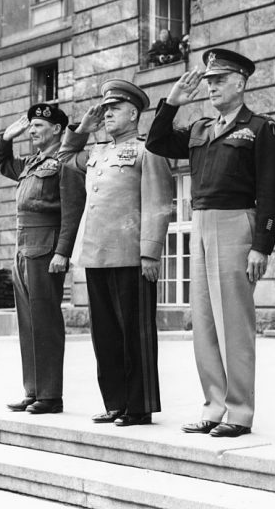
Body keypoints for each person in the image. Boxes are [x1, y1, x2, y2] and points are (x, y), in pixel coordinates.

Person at [146, 49, 275, 438]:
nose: (211, 87)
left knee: (234, 322)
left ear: (240, 83)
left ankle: (239, 410)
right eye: (208, 81)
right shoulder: (201, 128)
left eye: (219, 80)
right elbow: (156, 141)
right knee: (204, 321)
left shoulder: (260, 128)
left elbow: (271, 192)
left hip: (236, 224)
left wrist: (262, 245)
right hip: (201, 224)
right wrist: (172, 102)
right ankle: (214, 405)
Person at [58, 80, 172, 426]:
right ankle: (115, 402)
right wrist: (81, 130)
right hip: (96, 254)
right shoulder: (97, 152)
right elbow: (64, 161)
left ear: (134, 113)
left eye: (114, 109)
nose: (107, 114)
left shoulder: (146, 150)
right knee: (104, 334)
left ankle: (139, 406)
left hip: (130, 254)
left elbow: (158, 201)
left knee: (135, 333)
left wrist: (150, 252)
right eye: (104, 109)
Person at [0, 104, 85, 414]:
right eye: (31, 126)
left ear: (57, 129)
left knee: (45, 322)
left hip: (46, 248)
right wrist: (6, 138)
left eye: (38, 126)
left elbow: (72, 211)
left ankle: (50, 395)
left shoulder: (64, 161)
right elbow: (3, 163)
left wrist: (63, 251)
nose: (32, 131)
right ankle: (32, 390)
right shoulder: (31, 162)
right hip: (23, 249)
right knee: (28, 323)